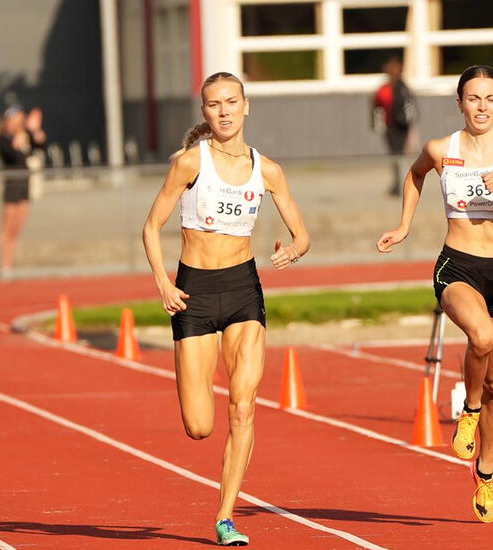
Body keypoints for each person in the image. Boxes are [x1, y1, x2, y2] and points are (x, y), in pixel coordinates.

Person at [142, 71, 309, 546]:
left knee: (243, 406)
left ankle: (226, 516)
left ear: (246, 106)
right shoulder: (188, 164)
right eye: (214, 104)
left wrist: (292, 250)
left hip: (243, 290)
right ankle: (220, 491)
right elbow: (151, 227)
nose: (224, 111)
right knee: (199, 426)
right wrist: (163, 282)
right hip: (193, 292)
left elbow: (303, 235)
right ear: (205, 113)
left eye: (231, 102)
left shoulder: (268, 169)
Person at [376, 65, 493, 524]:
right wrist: (405, 225)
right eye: (473, 98)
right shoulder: (441, 148)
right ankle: (467, 410)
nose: (482, 106)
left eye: (491, 98)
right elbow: (414, 176)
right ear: (460, 103)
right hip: (459, 264)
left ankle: (485, 474)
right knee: (481, 337)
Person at [0, 106, 46, 277]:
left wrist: (35, 129)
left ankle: (11, 263)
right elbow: (10, 155)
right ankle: (5, 264)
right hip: (11, 185)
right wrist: (18, 138)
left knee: (18, 227)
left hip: (25, 184)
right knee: (8, 228)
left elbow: (40, 145)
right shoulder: (4, 138)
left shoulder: (26, 135)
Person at [371, 57, 417, 195]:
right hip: (390, 126)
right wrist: (378, 125)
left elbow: (410, 107)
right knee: (395, 155)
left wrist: (409, 122)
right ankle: (398, 183)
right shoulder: (384, 89)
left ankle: (402, 184)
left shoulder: (403, 88)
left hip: (402, 126)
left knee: (400, 155)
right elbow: (377, 107)